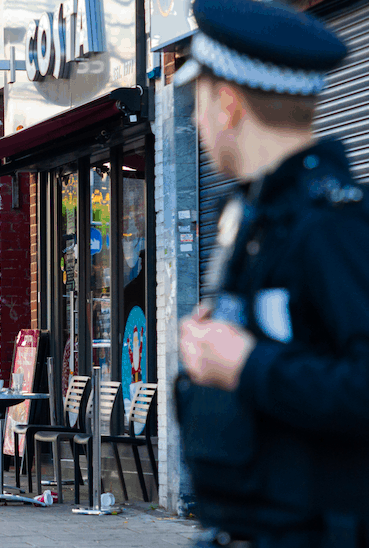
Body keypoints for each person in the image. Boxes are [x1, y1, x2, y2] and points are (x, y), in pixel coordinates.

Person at [174, 1, 369, 547]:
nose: (197, 119)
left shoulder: (334, 227)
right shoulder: (256, 220)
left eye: (201, 101)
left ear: (230, 104)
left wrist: (247, 364)